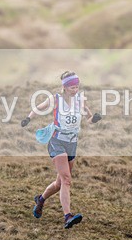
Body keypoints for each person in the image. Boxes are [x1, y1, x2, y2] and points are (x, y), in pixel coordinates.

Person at [21, 71, 101, 229]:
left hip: (72, 143)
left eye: (77, 86)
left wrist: (95, 119)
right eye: (72, 87)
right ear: (65, 87)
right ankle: (67, 217)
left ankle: (41, 199)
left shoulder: (80, 100)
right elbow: (38, 108)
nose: (75, 89)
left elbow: (89, 118)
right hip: (56, 141)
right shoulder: (55, 99)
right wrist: (28, 118)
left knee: (59, 183)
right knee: (66, 180)